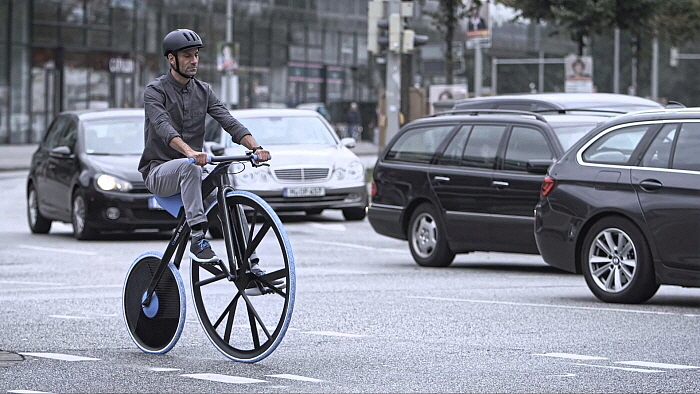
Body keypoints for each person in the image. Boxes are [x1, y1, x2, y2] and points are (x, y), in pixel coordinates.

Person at [139, 28, 271, 268]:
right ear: (172, 58)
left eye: (196, 55)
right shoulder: (155, 91)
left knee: (230, 200)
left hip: (193, 171)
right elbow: (162, 126)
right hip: (159, 172)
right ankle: (198, 238)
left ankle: (248, 263)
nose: (194, 61)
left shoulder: (203, 91)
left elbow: (228, 121)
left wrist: (256, 147)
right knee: (189, 168)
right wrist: (189, 152)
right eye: (187, 55)